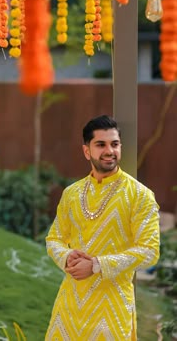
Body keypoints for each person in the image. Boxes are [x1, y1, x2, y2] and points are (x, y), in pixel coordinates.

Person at [45, 115, 160, 340]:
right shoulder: (72, 193)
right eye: (101, 144)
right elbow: (54, 238)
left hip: (113, 309)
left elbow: (149, 252)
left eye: (114, 144)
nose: (109, 151)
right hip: (70, 305)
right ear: (87, 151)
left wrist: (97, 265)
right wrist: (67, 256)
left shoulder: (140, 195)